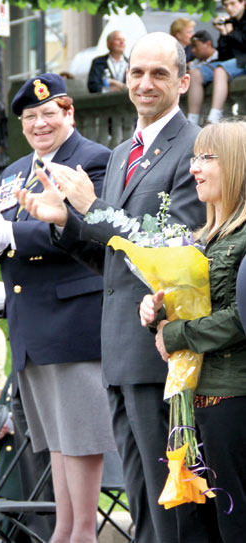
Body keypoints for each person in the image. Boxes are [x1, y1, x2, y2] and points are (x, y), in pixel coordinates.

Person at [16, 34, 219, 543]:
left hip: (162, 351)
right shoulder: (126, 149)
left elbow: (176, 252)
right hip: (116, 346)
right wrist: (68, 223)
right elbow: (112, 260)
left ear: (184, 82)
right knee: (143, 503)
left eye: (159, 74)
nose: (145, 84)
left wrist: (95, 210)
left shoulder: (195, 147)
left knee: (173, 506)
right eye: (136, 73)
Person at [0, 73, 116, 543]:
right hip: (31, 328)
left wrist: (11, 237)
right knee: (57, 446)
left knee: (80, 440)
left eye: (49, 113)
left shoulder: (94, 161)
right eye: (30, 117)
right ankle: (67, 530)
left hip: (72, 325)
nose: (39, 124)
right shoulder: (14, 172)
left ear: (69, 113)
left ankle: (81, 533)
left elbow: (86, 231)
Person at [140, 121, 246, 543]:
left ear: (236, 164)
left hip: (230, 402)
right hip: (188, 405)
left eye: (207, 158)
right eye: (194, 157)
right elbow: (200, 304)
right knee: (194, 527)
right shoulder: (203, 237)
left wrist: (177, 334)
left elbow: (241, 317)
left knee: (233, 522)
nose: (194, 168)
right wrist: (157, 309)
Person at [187, 0, 246, 125]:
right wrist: (223, 32)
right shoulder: (230, 22)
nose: (228, 8)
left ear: (243, 2)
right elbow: (223, 54)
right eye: (225, 5)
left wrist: (230, 33)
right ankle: (191, 121)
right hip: (230, 62)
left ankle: (214, 116)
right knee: (195, 74)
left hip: (243, 61)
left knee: (220, 70)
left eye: (232, 3)